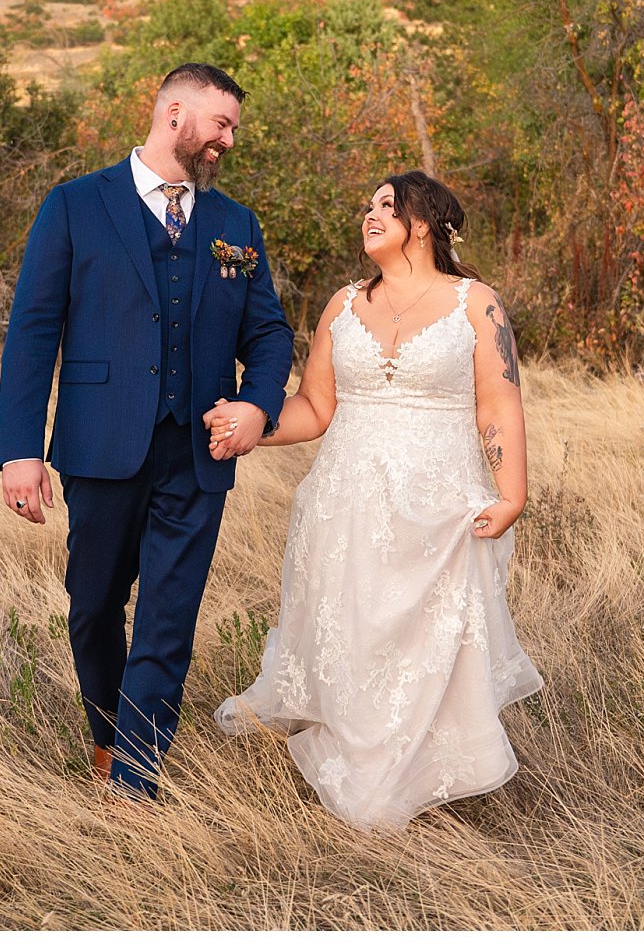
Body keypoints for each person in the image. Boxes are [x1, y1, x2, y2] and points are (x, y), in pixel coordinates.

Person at [207, 170, 541, 831]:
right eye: (367, 204)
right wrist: (252, 423)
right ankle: (362, 774)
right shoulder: (343, 304)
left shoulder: (477, 303)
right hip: (345, 504)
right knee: (355, 636)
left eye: (387, 204)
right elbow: (315, 406)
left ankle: (416, 776)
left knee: (429, 647)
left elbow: (498, 401)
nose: (370, 213)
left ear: (425, 222)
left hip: (440, 509)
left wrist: (513, 494)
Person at [0, 62, 294, 803]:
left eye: (232, 127)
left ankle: (134, 779)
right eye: (220, 123)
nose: (228, 139)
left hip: (199, 452)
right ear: (174, 113)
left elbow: (270, 334)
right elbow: (33, 333)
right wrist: (20, 450)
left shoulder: (235, 225)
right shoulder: (73, 206)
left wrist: (258, 406)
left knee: (168, 616)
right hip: (100, 445)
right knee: (94, 606)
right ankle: (106, 734)